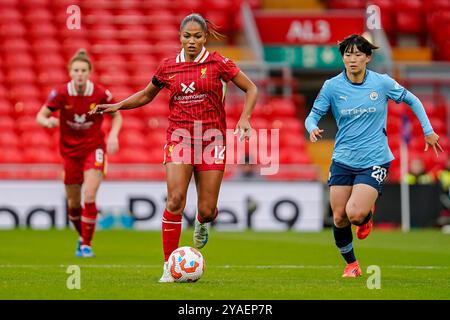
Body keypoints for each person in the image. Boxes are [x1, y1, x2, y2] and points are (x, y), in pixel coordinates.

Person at [90, 13, 258, 282]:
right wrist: (119, 105)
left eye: (197, 36)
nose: (192, 41)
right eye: (187, 36)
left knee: (206, 209)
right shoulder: (168, 66)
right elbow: (147, 94)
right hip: (179, 139)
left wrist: (245, 117)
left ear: (205, 37)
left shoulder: (218, 63)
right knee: (175, 199)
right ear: (180, 37)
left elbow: (251, 88)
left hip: (212, 141)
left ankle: (203, 223)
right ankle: (169, 265)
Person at [305, 34, 443, 278]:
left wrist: (428, 130)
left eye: (358, 54)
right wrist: (312, 127)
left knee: (355, 214)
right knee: (339, 217)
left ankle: (366, 216)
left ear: (368, 57)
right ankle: (352, 265)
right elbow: (312, 115)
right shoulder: (332, 86)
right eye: (348, 54)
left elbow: (413, 99)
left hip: (374, 159)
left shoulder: (382, 83)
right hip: (342, 159)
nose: (353, 59)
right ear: (343, 58)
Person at [36, 49, 123, 258]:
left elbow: (117, 116)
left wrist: (113, 135)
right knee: (73, 205)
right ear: (70, 72)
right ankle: (81, 236)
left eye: (83, 70)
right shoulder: (61, 93)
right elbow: (40, 115)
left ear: (89, 72)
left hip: (94, 148)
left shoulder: (100, 93)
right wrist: (47, 122)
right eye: (76, 70)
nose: (80, 74)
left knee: (89, 195)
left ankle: (86, 245)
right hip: (70, 153)